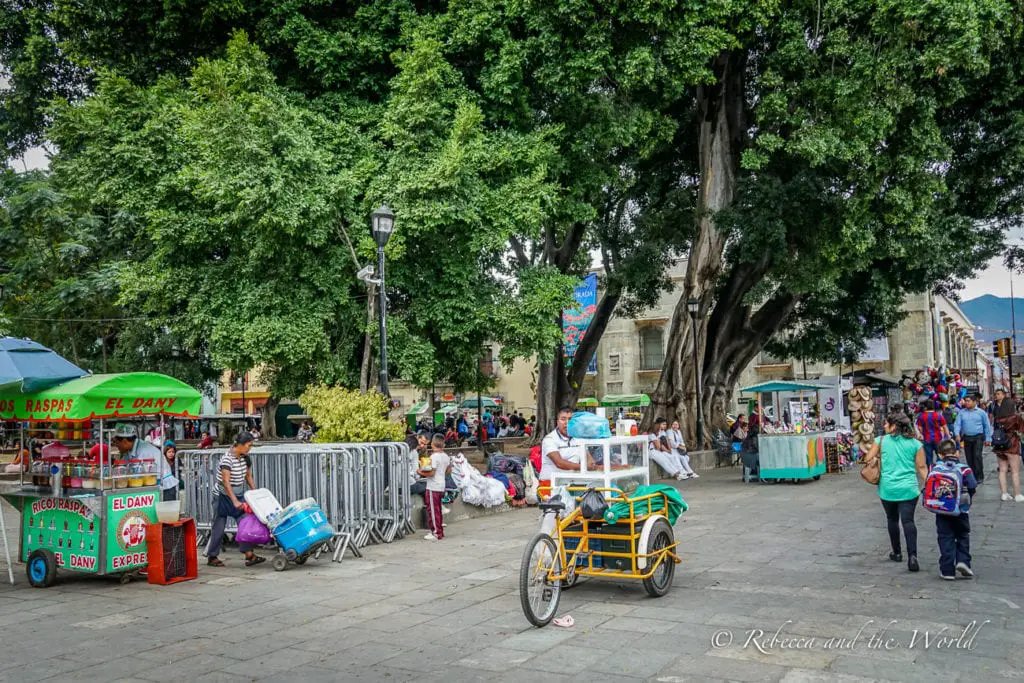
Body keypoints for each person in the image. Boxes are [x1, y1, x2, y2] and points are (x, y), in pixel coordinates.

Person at [864, 410, 928, 572]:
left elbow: (867, 458)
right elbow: (921, 467)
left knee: (892, 519)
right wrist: (930, 485)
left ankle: (897, 552)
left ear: (894, 427)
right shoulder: (916, 444)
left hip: (888, 489)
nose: (884, 425)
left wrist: (878, 458)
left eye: (886, 423)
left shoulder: (881, 441)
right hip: (909, 488)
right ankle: (913, 556)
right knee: (908, 521)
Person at [205, 431, 265, 567]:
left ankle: (249, 554)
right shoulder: (227, 459)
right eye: (249, 445)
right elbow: (226, 482)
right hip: (222, 496)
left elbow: (248, 476)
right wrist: (234, 501)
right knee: (219, 527)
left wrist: (255, 493)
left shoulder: (245, 458)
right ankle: (212, 556)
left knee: (245, 524)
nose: (250, 448)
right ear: (241, 445)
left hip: (238, 494)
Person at [930, 439, 978, 580]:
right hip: (961, 510)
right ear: (957, 452)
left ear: (939, 454)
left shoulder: (934, 468)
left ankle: (947, 570)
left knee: (945, 538)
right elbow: (972, 485)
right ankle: (963, 561)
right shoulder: (964, 469)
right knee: (962, 535)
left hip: (942, 510)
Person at [539, 406, 596, 498]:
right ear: (557, 422)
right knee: (555, 511)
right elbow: (560, 463)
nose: (567, 423)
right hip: (550, 484)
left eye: (570, 419)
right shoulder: (549, 439)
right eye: (563, 419)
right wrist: (584, 467)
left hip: (573, 483)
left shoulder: (578, 438)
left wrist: (590, 465)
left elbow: (590, 459)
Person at [988, 389, 1023, 502]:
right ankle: (1017, 494)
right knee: (1015, 471)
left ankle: (1004, 493)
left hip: (1000, 445)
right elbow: (1022, 430)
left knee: (1002, 470)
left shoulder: (998, 418)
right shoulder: (1016, 417)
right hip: (1012, 444)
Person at [419, 434, 451, 541]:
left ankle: (436, 533)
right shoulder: (446, 457)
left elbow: (431, 473)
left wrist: (420, 471)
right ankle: (439, 530)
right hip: (441, 484)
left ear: (432, 444)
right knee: (437, 510)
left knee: (432, 510)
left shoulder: (434, 457)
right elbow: (448, 471)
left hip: (433, 486)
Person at [953, 395, 992, 483]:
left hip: (978, 437)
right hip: (967, 437)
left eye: (968, 401)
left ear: (975, 402)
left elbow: (987, 426)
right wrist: (957, 434)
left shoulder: (981, 412)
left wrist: (988, 438)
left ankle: (979, 476)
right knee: (969, 457)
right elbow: (957, 424)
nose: (966, 403)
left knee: (977, 456)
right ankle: (972, 475)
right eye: (966, 401)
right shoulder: (962, 412)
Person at [915, 399, 949, 468]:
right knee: (940, 454)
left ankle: (930, 470)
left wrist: (924, 433)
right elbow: (945, 426)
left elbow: (920, 428)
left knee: (928, 457)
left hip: (927, 439)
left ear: (925, 407)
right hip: (938, 439)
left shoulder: (921, 416)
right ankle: (940, 468)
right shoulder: (938, 415)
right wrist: (948, 436)